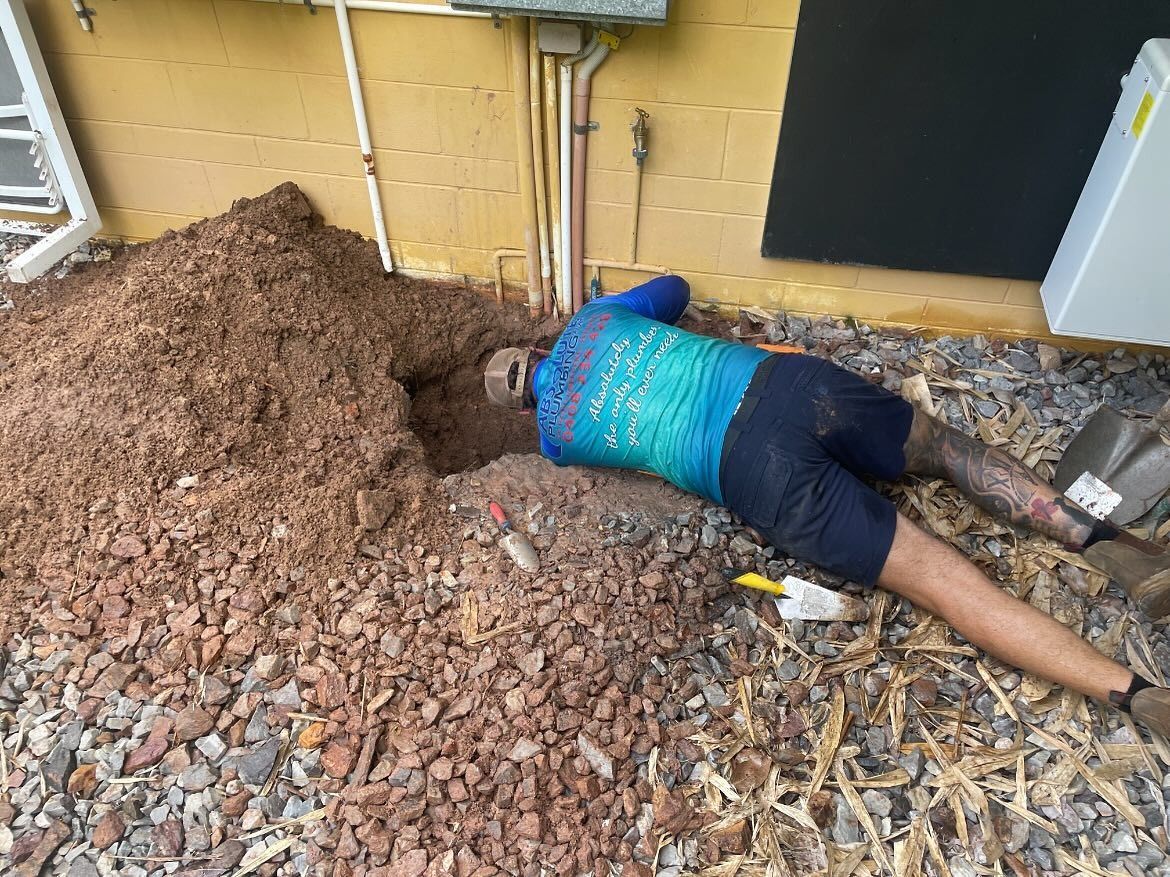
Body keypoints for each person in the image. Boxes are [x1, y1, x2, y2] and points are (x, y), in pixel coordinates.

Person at [483, 275, 1170, 733]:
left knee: (943, 582)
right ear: (538, 346)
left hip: (753, 474)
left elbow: (578, 432)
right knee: (946, 451)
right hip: (791, 386)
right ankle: (1105, 543)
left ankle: (1137, 694)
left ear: (524, 408)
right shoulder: (596, 318)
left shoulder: (554, 439)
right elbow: (675, 290)